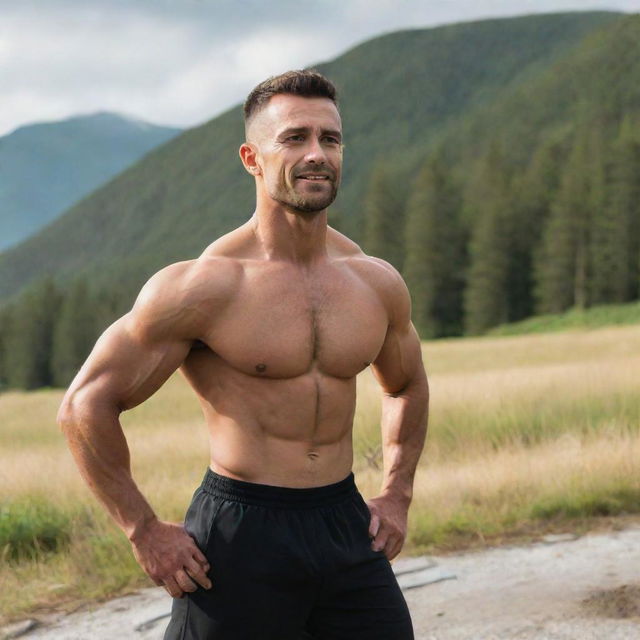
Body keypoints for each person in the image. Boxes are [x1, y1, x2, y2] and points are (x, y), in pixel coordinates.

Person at [58, 69, 429, 639]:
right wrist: (143, 529)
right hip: (240, 534)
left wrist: (398, 492)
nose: (317, 155)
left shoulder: (372, 281)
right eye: (295, 138)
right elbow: (85, 405)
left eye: (330, 139)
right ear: (252, 158)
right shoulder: (205, 287)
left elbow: (405, 384)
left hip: (344, 523)